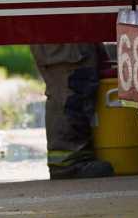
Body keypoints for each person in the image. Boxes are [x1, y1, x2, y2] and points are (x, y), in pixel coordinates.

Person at [30, 42, 112, 179]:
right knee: (70, 87)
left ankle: (74, 158)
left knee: (72, 86)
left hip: (67, 35)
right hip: (63, 35)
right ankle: (68, 162)